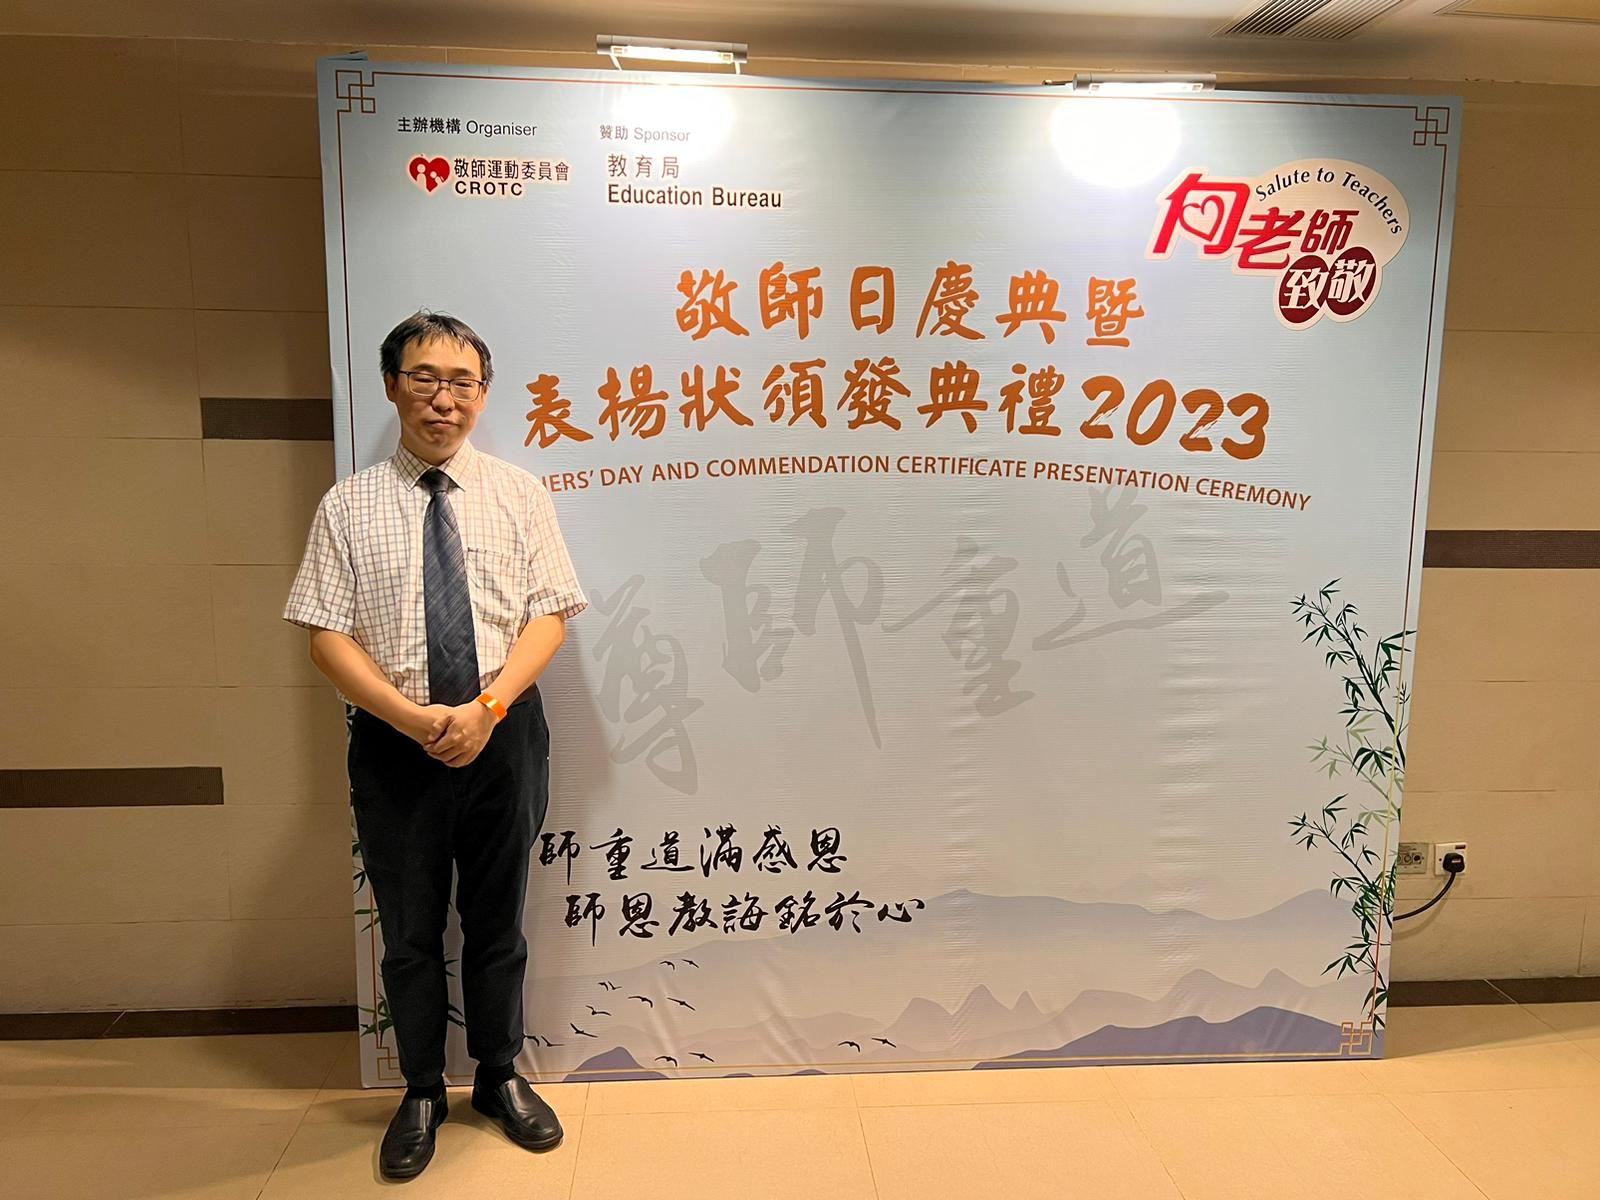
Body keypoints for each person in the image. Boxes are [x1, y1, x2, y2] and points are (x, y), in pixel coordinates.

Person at [284, 311, 586, 1181]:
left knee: (498, 921)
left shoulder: (520, 493)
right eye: (424, 378)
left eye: (461, 382)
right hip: (394, 742)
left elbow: (549, 616)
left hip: (504, 732)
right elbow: (326, 637)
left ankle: (497, 1077)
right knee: (410, 931)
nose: (442, 398)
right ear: (392, 387)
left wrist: (487, 708)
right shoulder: (348, 504)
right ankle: (421, 1090)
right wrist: (411, 718)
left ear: (483, 395)